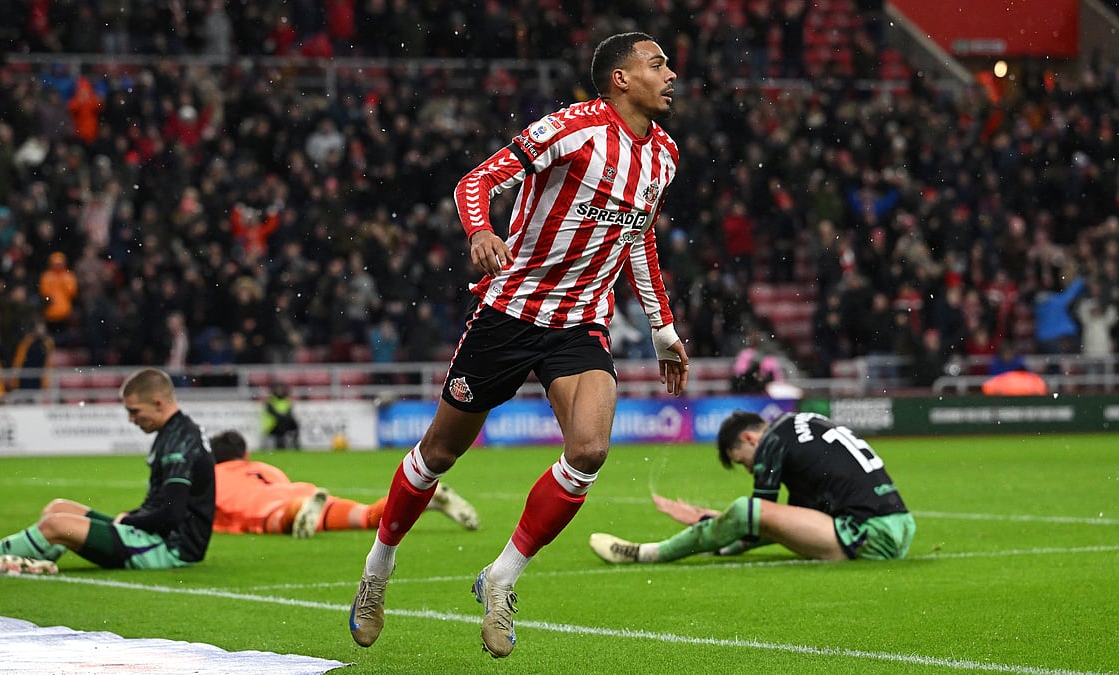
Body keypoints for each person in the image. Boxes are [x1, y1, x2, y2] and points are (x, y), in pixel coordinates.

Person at [348, 32, 689, 659]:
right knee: (440, 453)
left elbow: (639, 241)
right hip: (510, 314)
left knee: (588, 450)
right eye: (656, 64)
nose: (670, 74)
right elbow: (475, 181)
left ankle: (501, 578)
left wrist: (664, 330)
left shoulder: (664, 156)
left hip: (581, 324)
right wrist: (479, 231)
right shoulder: (571, 129)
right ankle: (377, 570)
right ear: (620, 78)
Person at [0, 368, 215, 576]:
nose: (131, 419)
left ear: (159, 403)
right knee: (59, 508)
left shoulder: (179, 439)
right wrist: (131, 518)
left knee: (56, 525)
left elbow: (172, 514)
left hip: (169, 549)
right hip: (153, 534)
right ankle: (39, 562)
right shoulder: (175, 432)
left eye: (135, 411)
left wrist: (131, 519)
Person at [589, 410, 914, 565]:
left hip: (869, 534)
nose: (751, 469)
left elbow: (755, 518)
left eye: (744, 462)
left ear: (749, 439)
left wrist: (709, 524)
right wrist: (720, 528)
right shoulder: (803, 424)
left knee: (746, 509)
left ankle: (646, 554)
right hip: (900, 526)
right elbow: (782, 522)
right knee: (751, 514)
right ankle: (704, 539)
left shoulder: (771, 441)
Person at [209, 430, 479, 537]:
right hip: (301, 490)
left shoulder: (213, 477)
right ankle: (425, 497)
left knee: (274, 521)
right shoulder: (263, 467)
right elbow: (280, 483)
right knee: (367, 516)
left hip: (268, 506)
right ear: (244, 454)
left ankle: (299, 511)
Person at [262, 381, 301, 449]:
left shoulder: (287, 400)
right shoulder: (270, 401)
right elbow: (274, 413)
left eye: (281, 389)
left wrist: (285, 418)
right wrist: (284, 417)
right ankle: (280, 445)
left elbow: (289, 412)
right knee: (281, 425)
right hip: (272, 425)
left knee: (294, 424)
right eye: (278, 389)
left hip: (284, 422)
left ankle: (295, 444)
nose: (279, 391)